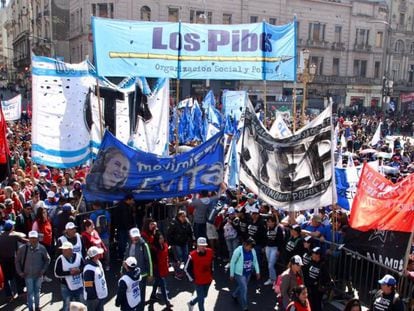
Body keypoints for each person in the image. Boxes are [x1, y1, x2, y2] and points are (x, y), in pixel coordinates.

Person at [15, 230, 51, 311]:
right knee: (30, 293)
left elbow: (47, 259)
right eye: (31, 238)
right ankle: (31, 309)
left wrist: (43, 270)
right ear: (29, 239)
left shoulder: (42, 248)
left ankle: (37, 307)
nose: (33, 240)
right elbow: (17, 261)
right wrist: (20, 272)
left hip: (38, 275)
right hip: (28, 276)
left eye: (35, 238)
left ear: (38, 239)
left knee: (37, 292)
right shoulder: (22, 249)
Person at [124, 227, 153, 311]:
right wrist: (122, 270)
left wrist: (150, 274)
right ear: (130, 236)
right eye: (134, 236)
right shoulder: (128, 244)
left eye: (137, 236)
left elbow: (149, 260)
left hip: (142, 275)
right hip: (129, 275)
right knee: (131, 294)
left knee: (140, 295)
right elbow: (125, 257)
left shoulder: (144, 245)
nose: (136, 238)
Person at [229, 237, 261, 311]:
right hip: (239, 274)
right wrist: (231, 274)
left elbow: (255, 261)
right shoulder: (238, 251)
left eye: (251, 247)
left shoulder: (253, 250)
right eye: (249, 246)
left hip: (248, 272)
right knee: (244, 289)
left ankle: (234, 295)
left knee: (242, 286)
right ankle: (245, 307)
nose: (250, 248)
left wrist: (257, 272)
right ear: (244, 244)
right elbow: (233, 262)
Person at [185, 237, 214, 311]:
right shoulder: (192, 255)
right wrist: (192, 279)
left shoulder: (210, 252)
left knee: (204, 295)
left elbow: (212, 264)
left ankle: (191, 303)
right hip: (198, 282)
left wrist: (211, 274)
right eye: (201, 245)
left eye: (204, 245)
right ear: (197, 245)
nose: (203, 247)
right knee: (201, 300)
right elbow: (186, 269)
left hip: (208, 280)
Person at [54, 241, 84, 311]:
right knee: (67, 305)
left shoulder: (78, 256)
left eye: (65, 250)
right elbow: (57, 273)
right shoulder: (60, 259)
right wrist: (70, 273)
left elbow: (84, 266)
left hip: (79, 285)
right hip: (66, 286)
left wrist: (79, 270)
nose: (63, 251)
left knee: (81, 304)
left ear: (70, 250)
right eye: (63, 250)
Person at [167, 210, 194, 280]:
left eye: (185, 216)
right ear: (178, 217)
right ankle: (178, 272)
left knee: (186, 256)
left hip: (184, 242)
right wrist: (171, 243)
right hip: (176, 243)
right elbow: (169, 234)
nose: (184, 218)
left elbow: (190, 232)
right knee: (178, 258)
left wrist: (193, 240)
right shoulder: (173, 223)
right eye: (182, 216)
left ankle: (186, 270)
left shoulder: (187, 223)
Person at [303, 247, 332, 311]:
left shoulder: (323, 265)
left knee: (317, 304)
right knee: (310, 304)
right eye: (312, 253)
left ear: (318, 255)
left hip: (318, 290)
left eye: (314, 253)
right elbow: (306, 273)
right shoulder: (310, 262)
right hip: (309, 287)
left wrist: (318, 282)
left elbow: (327, 278)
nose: (312, 255)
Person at [149, 232, 173, 309]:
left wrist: (175, 260)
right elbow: (153, 261)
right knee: (162, 285)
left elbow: (168, 254)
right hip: (157, 269)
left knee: (156, 282)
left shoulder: (165, 245)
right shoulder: (154, 249)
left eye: (162, 238)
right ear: (157, 239)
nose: (162, 239)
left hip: (163, 267)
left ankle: (152, 296)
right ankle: (167, 302)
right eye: (160, 238)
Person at [83, 246, 108, 311]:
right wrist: (95, 298)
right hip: (93, 299)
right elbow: (88, 286)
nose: (100, 255)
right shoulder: (88, 269)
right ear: (95, 256)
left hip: (100, 296)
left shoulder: (98, 262)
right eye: (98, 254)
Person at [263, 215, 284, 286]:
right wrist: (265, 246)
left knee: (270, 265)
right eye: (267, 222)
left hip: (275, 248)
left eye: (269, 222)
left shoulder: (278, 229)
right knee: (269, 264)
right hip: (268, 248)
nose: (268, 223)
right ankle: (271, 279)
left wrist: (279, 250)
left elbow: (281, 241)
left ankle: (274, 280)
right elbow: (266, 238)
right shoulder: (267, 228)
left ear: (274, 222)